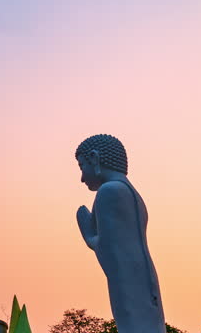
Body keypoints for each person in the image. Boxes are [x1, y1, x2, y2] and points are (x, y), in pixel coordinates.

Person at [75, 134, 165, 333]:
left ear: (94, 158)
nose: (81, 178)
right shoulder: (131, 194)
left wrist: (91, 239)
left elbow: (111, 250)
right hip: (143, 277)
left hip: (128, 281)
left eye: (82, 167)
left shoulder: (109, 191)